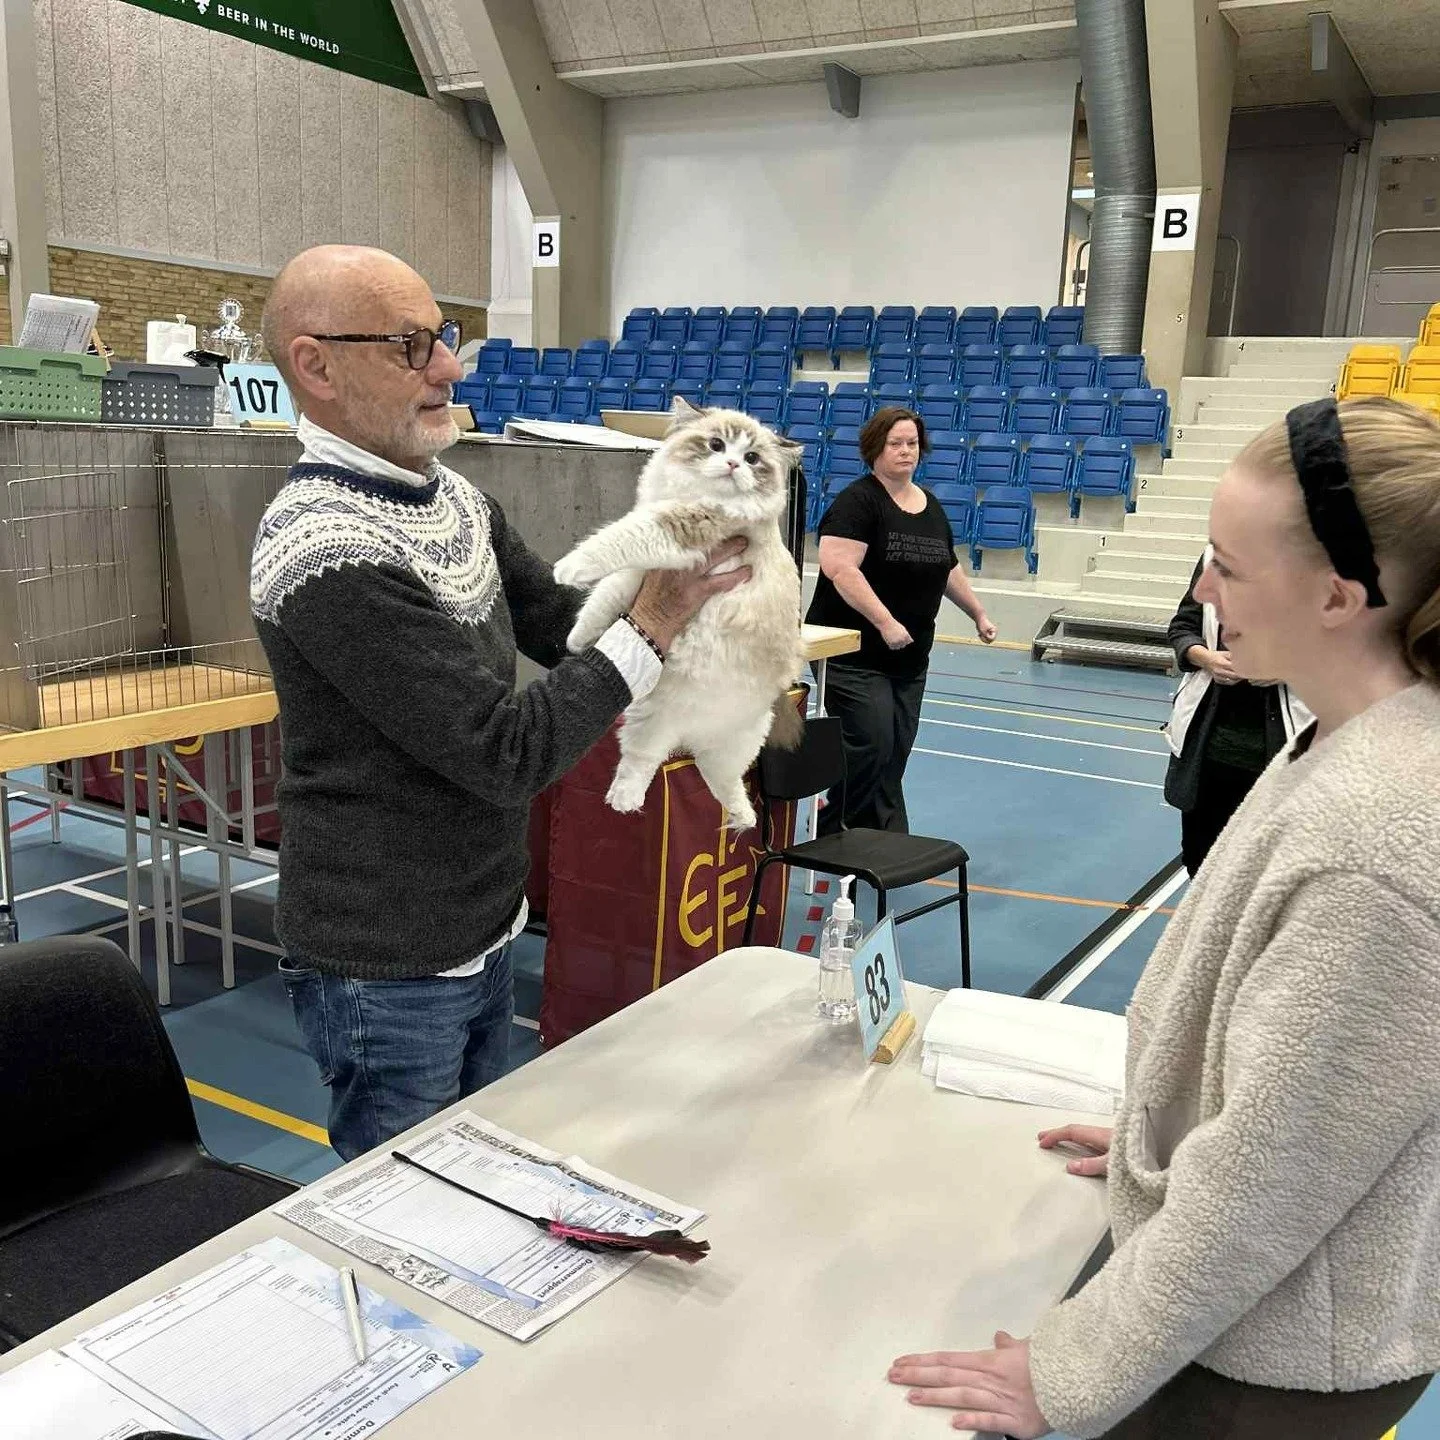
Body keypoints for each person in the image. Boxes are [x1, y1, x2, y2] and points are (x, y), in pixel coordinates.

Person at [887, 396, 1440, 1439]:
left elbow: (1264, 1197)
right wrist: (1172, 1128)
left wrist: (1064, 1374)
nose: (1201, 589)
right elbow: (1299, 1099)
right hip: (1263, 1319)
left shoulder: (1381, 835)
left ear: (1337, 595)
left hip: (1271, 1368)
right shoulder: (1347, 735)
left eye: (1226, 566)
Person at [251, 246, 748, 1161]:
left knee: (469, 1175)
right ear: (316, 365)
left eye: (444, 338)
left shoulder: (454, 500)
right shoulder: (326, 550)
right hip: (388, 964)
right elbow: (502, 750)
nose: (446, 368)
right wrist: (654, 622)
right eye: (411, 347)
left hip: (483, 924)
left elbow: (562, 623)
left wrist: (692, 606)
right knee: (404, 1221)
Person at [804, 407, 996, 833]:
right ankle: (847, 834)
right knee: (871, 743)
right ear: (875, 448)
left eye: (912, 443)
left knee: (895, 752)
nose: (906, 451)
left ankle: (875, 835)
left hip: (910, 659)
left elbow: (945, 567)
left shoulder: (930, 506)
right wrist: (885, 621)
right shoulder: (857, 502)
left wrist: (977, 612)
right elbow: (840, 569)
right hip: (853, 654)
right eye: (896, 443)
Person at [1163, 549, 1311, 875]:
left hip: (1284, 752)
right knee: (1201, 864)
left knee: (1267, 873)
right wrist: (1206, 657)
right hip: (1210, 752)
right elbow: (1183, 626)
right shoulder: (1212, 558)